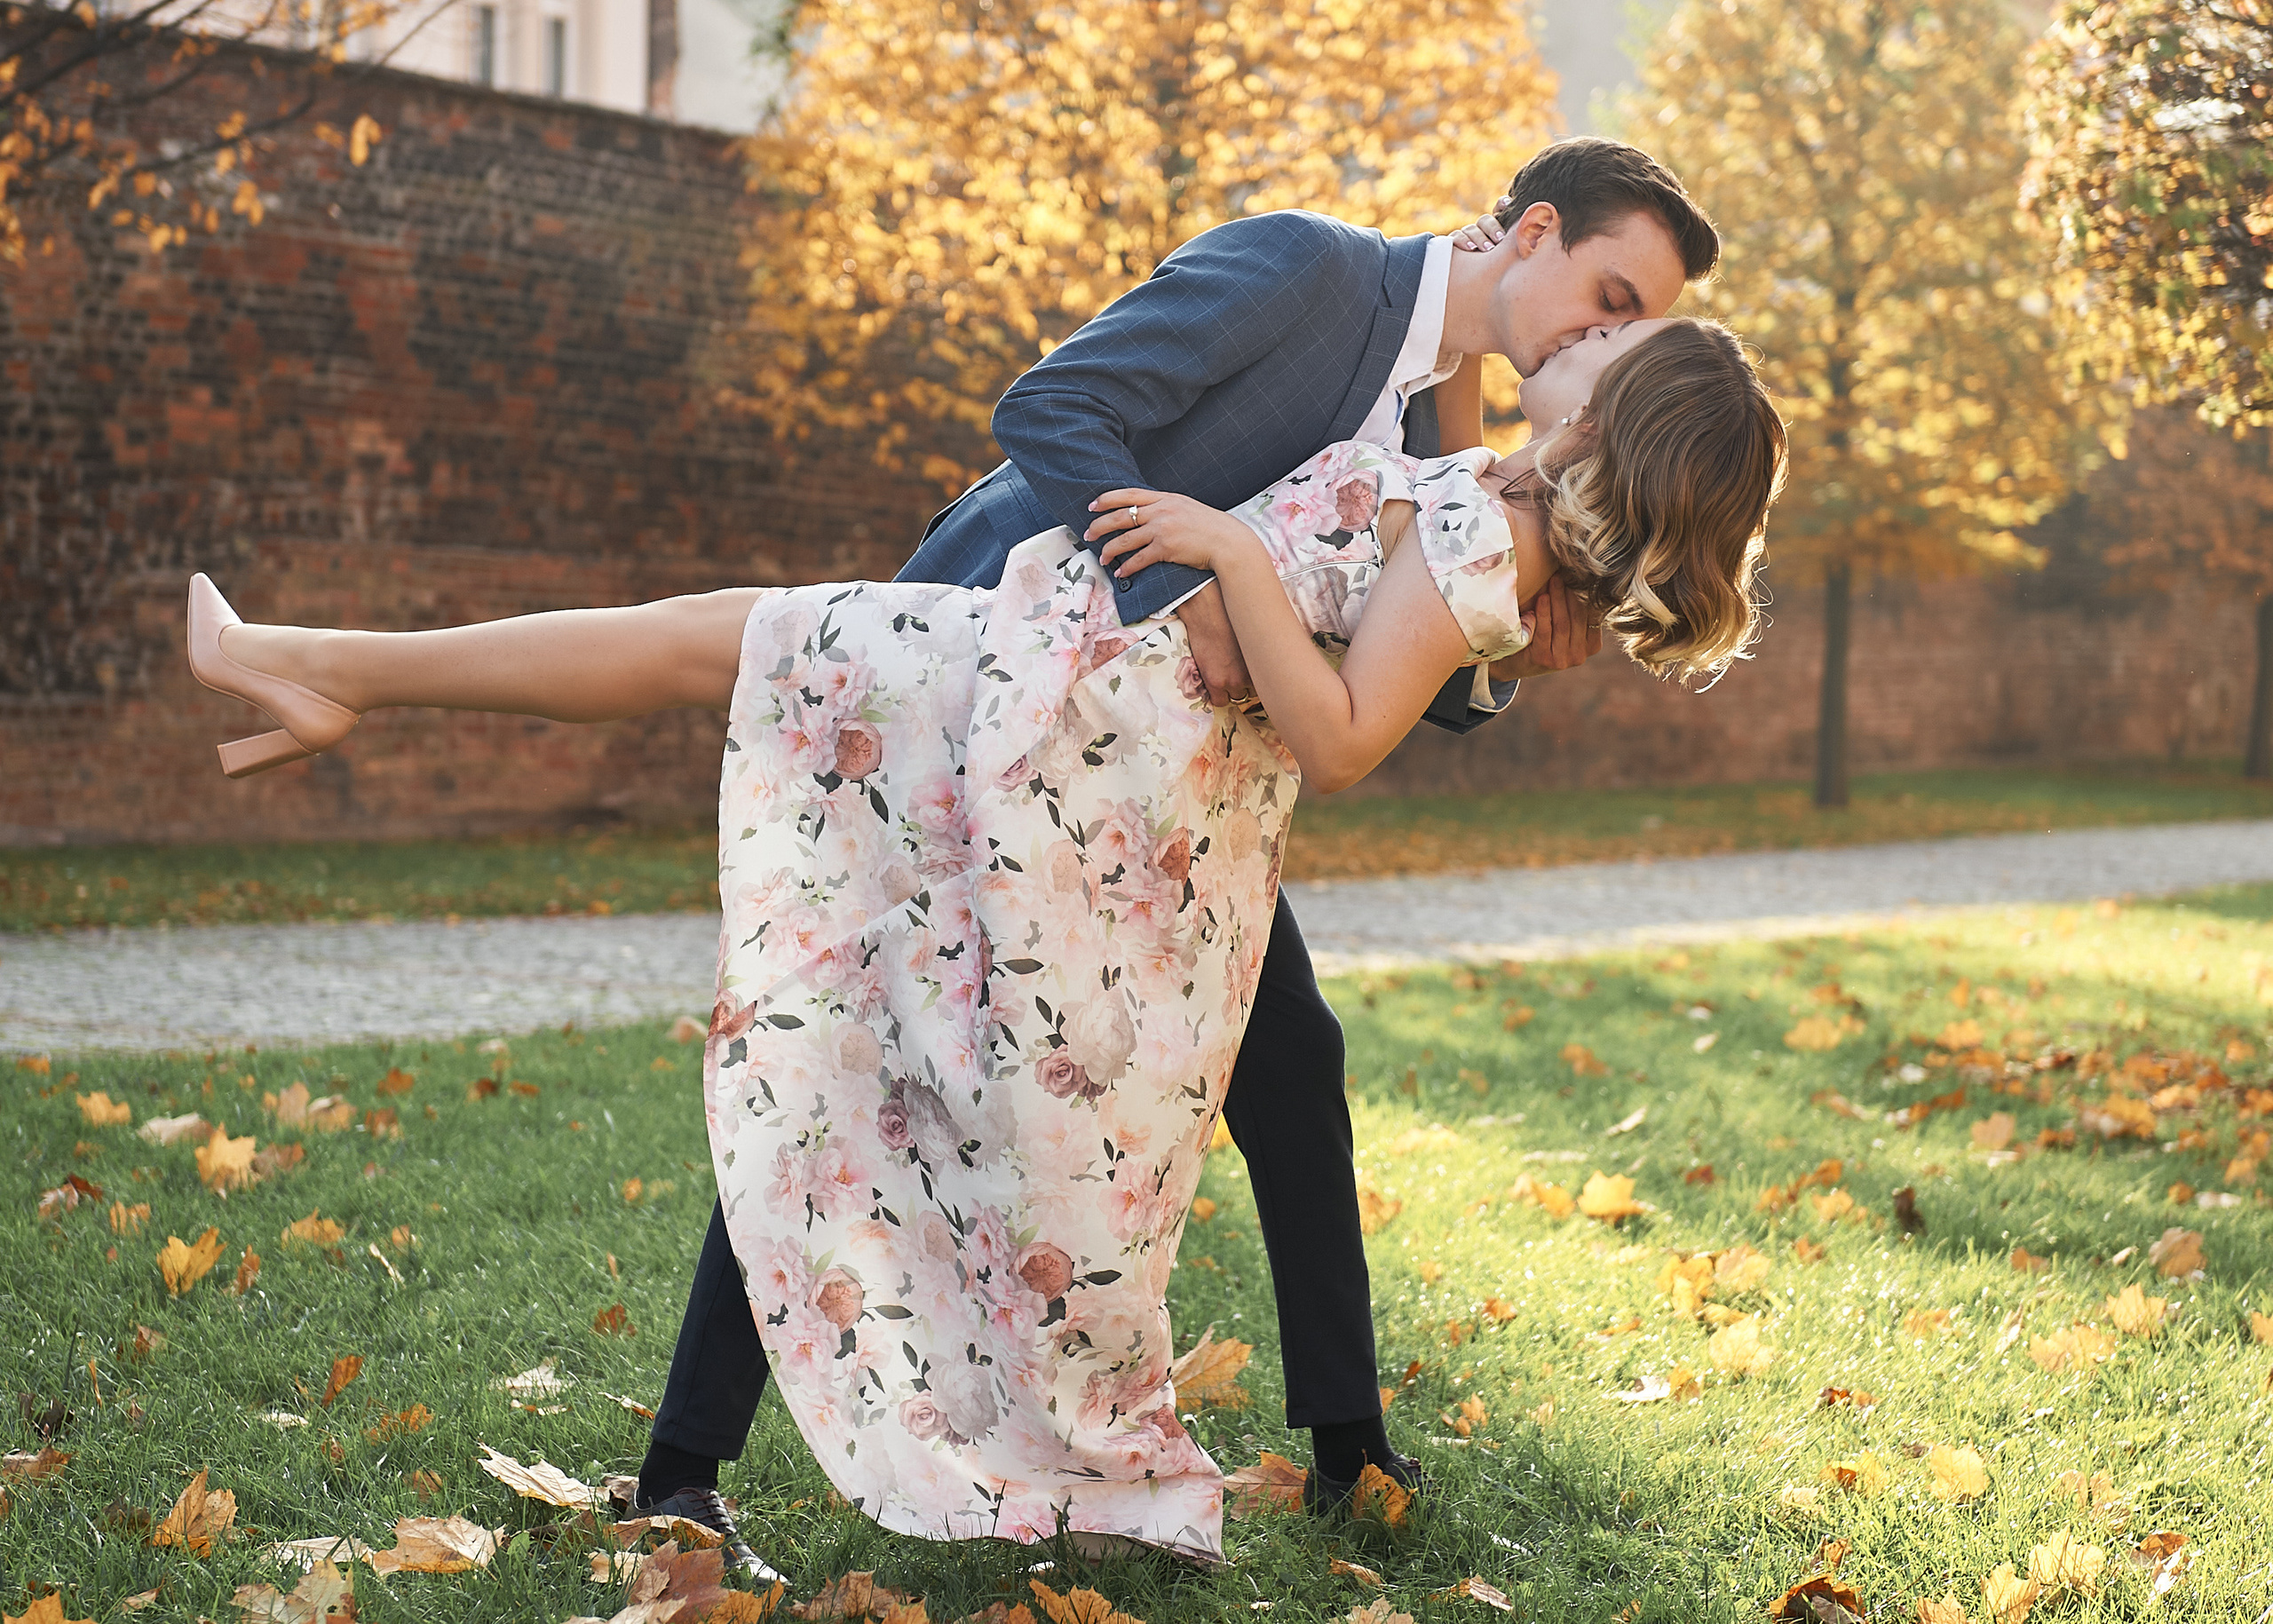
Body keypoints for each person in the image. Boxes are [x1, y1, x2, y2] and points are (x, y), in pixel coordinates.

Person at [186, 308, 1786, 1565]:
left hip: (1074, 725)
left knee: (730, 647)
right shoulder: (1498, 503)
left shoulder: (1488, 547)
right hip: (1080, 688)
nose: (1575, 340)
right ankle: (327, 667)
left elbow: (1350, 732)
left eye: (1611, 341)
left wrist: (1229, 546)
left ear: (1624, 417)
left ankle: (331, 667)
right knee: (727, 644)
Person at [634, 135, 1726, 1566]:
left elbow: (1394, 636)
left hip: (1167, 807)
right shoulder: (1308, 268)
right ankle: (678, 1470)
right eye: (1609, 290)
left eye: (1636, 322)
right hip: (992, 677)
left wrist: (1514, 656)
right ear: (1529, 233)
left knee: (1290, 1057)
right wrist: (1185, 594)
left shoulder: (1448, 424)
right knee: (855, 1043)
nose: (1609, 335)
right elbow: (1058, 409)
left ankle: (1350, 1452)